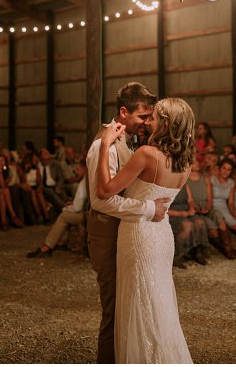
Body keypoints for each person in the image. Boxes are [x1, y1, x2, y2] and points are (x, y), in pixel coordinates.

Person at [96, 97, 195, 363]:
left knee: (138, 302)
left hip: (138, 234)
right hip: (162, 236)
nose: (148, 120)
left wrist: (106, 145)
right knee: (158, 301)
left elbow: (104, 191)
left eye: (155, 117)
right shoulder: (186, 163)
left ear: (166, 123)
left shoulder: (147, 155)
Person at [85, 82, 167, 364]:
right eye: (142, 117)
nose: (146, 123)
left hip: (124, 233)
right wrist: (148, 209)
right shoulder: (102, 145)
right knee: (114, 310)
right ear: (123, 112)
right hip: (105, 235)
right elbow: (100, 200)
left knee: (128, 306)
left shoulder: (130, 142)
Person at [27, 166, 87, 258]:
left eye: (78, 169)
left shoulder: (84, 182)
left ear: (84, 168)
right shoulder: (88, 179)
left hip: (87, 214)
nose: (75, 172)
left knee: (64, 216)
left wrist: (66, 208)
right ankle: (62, 241)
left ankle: (47, 247)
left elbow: (77, 207)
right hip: (89, 211)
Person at [187, 159, 236, 259]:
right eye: (195, 162)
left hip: (207, 207)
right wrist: (196, 209)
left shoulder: (205, 179)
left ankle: (228, 248)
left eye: (198, 161)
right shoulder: (185, 180)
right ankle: (227, 249)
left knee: (220, 219)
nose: (198, 163)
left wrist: (208, 207)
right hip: (195, 210)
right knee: (213, 230)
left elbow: (210, 198)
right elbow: (190, 200)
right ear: (188, 165)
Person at [168, 181, 209, 268]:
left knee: (200, 223)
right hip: (173, 214)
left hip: (186, 211)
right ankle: (177, 256)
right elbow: (164, 208)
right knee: (187, 226)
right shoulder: (166, 184)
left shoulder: (184, 184)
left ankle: (198, 252)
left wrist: (191, 208)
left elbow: (190, 200)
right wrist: (180, 214)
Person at [0, 154, 25, 231]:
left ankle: (3, 222)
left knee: (2, 195)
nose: (0, 162)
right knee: (6, 191)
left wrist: (1, 173)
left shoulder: (9, 171)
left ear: (5, 162)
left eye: (2, 160)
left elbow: (3, 185)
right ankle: (13, 216)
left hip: (1, 192)